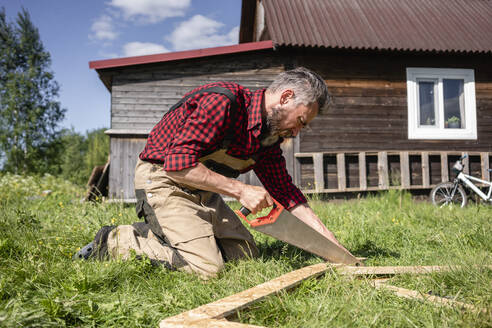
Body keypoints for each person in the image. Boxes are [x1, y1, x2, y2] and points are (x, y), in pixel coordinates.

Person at [74, 67, 356, 278]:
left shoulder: (268, 138)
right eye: (300, 121)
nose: (296, 132)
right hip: (162, 179)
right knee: (207, 269)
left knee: (246, 258)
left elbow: (287, 194)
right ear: (285, 97)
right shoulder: (223, 102)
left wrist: (330, 245)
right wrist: (241, 190)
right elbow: (178, 164)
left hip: (201, 190)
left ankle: (180, 236)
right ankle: (119, 240)